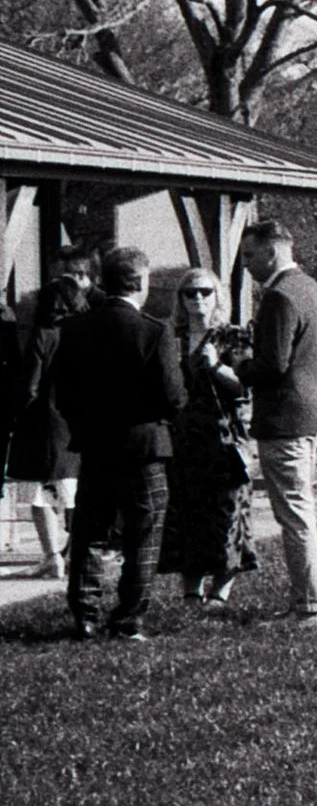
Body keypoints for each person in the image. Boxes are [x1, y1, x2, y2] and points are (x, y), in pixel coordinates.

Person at [49, 247, 185, 639]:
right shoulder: (154, 331)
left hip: (94, 447)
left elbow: (63, 395)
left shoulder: (75, 329)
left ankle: (85, 615)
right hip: (144, 448)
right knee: (144, 535)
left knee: (90, 532)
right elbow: (173, 398)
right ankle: (128, 617)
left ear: (104, 281)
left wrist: (87, 425)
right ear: (140, 283)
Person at [239, 218, 317, 625]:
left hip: (284, 418)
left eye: (249, 255)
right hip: (310, 414)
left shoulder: (279, 296)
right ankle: (305, 602)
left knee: (295, 515)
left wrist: (234, 365)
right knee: (299, 511)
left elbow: (271, 367)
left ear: (272, 251)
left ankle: (309, 607)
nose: (245, 264)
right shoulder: (315, 291)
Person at [162, 267, 259, 607]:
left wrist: (217, 366)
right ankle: (191, 589)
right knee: (187, 513)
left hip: (224, 436)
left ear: (218, 296)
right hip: (183, 438)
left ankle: (221, 590)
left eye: (205, 292)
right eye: (190, 293)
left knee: (228, 513)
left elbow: (246, 386)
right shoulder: (170, 337)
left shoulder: (232, 337)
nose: (197, 299)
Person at [4, 275, 85, 580]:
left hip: (45, 423)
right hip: (77, 423)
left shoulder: (45, 334)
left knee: (40, 494)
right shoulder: (85, 335)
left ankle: (53, 556)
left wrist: (17, 412)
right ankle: (75, 554)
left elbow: (30, 386)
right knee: (74, 493)